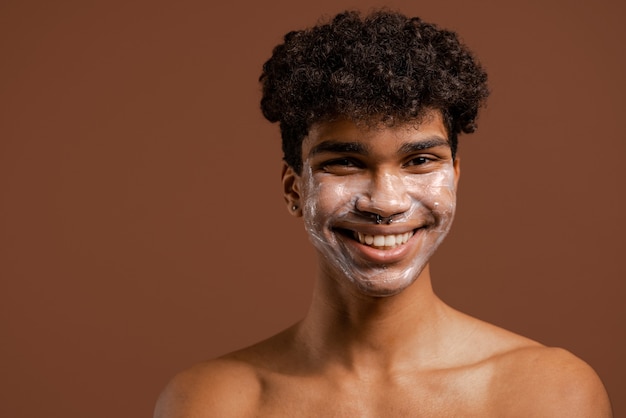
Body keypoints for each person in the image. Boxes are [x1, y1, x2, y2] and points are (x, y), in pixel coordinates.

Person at [154, 10, 612, 417]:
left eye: (419, 161)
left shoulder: (548, 395)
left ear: (454, 175)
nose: (387, 203)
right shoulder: (209, 402)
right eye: (346, 163)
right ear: (295, 188)